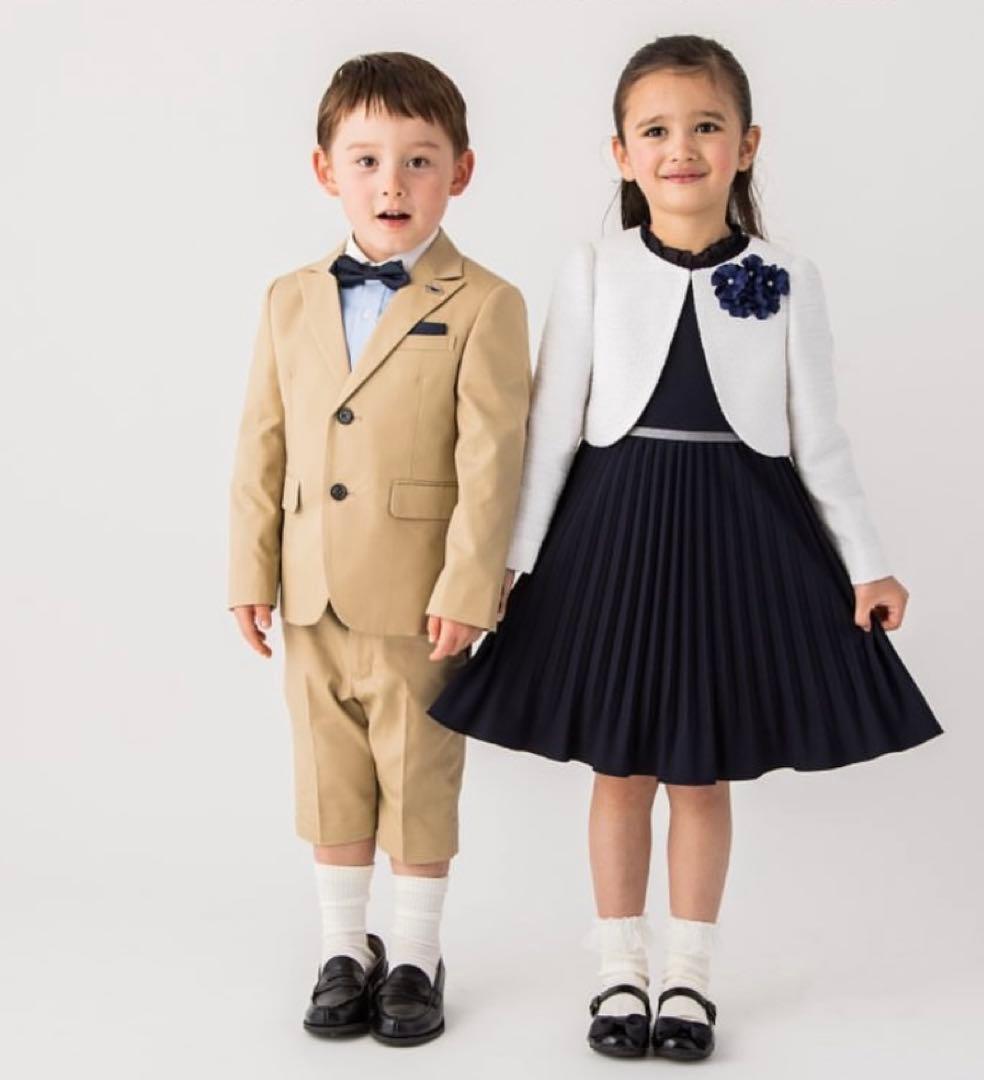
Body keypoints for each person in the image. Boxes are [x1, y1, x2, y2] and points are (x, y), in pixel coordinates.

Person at [428, 34, 943, 1063]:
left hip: (737, 532)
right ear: (620, 154)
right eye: (656, 130)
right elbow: (550, 429)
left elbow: (818, 435)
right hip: (611, 533)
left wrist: (865, 560)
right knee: (620, 768)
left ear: (746, 145)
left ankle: (691, 979)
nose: (681, 148)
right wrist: (507, 562)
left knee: (701, 775)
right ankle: (620, 969)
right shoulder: (592, 269)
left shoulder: (787, 276)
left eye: (706, 127)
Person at [227, 52, 531, 1047]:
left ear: (461, 172)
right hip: (309, 585)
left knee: (418, 771)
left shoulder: (484, 302)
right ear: (326, 170)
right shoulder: (288, 297)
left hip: (419, 596)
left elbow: (493, 458)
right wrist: (249, 569)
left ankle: (414, 952)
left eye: (418, 160)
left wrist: (470, 584)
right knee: (328, 773)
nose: (391, 183)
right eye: (365, 160)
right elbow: (262, 441)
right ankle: (340, 948)